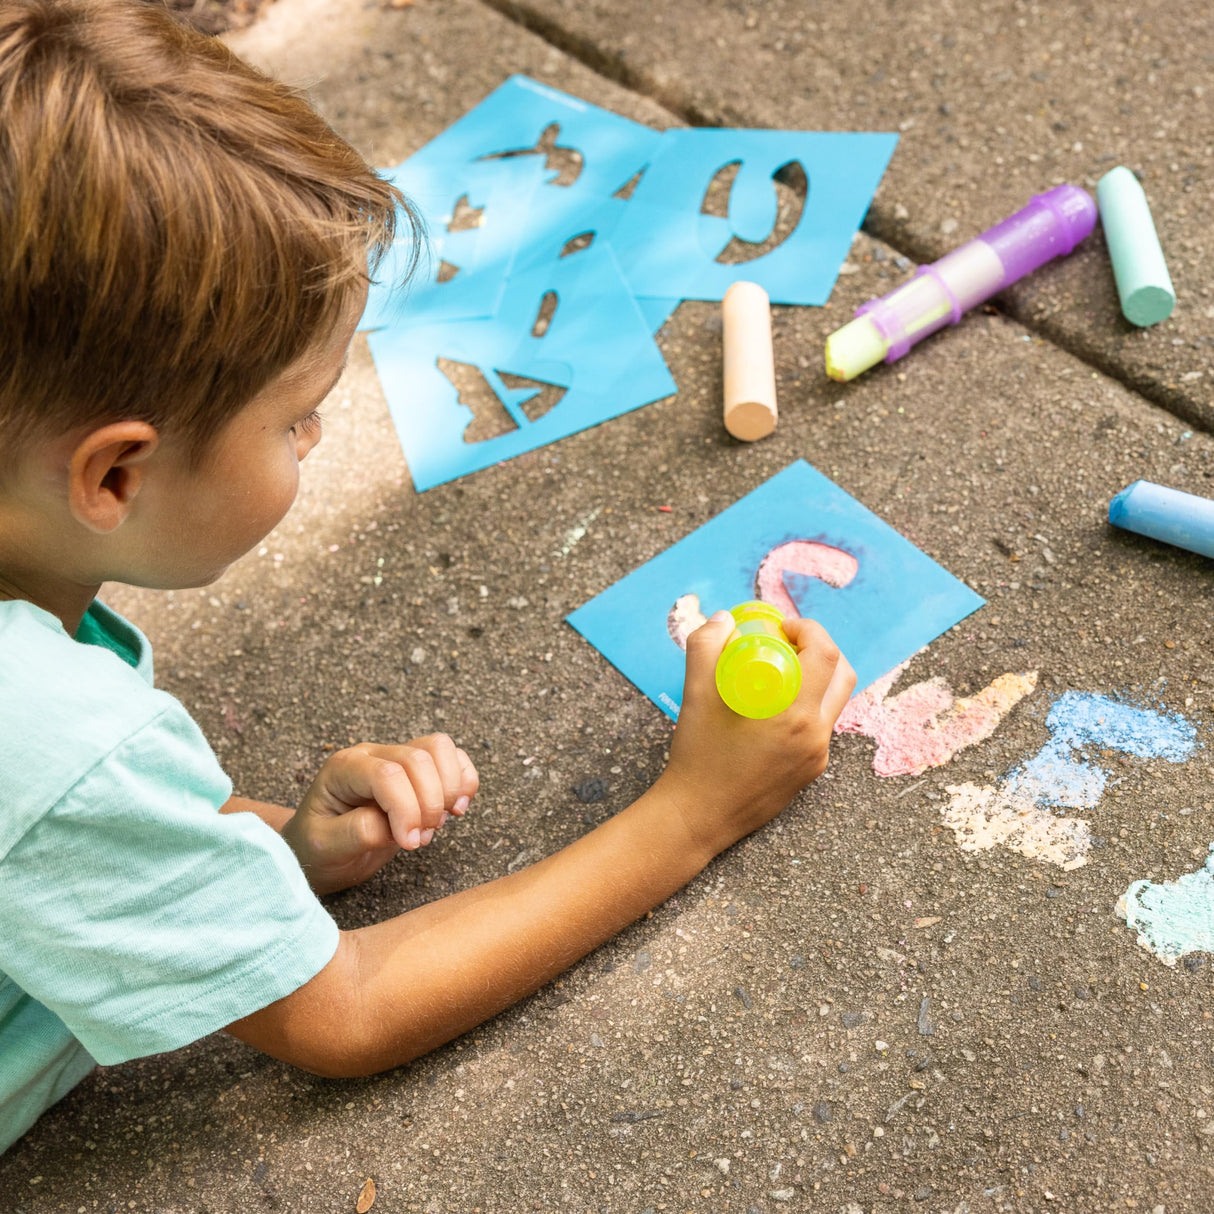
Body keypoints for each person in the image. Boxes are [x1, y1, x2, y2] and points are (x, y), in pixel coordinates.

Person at [0, 0, 855, 1155]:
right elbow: (344, 1009)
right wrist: (694, 810)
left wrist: (272, 856)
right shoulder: (53, 739)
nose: (314, 440)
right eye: (297, 419)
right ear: (112, 475)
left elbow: (51, 851)